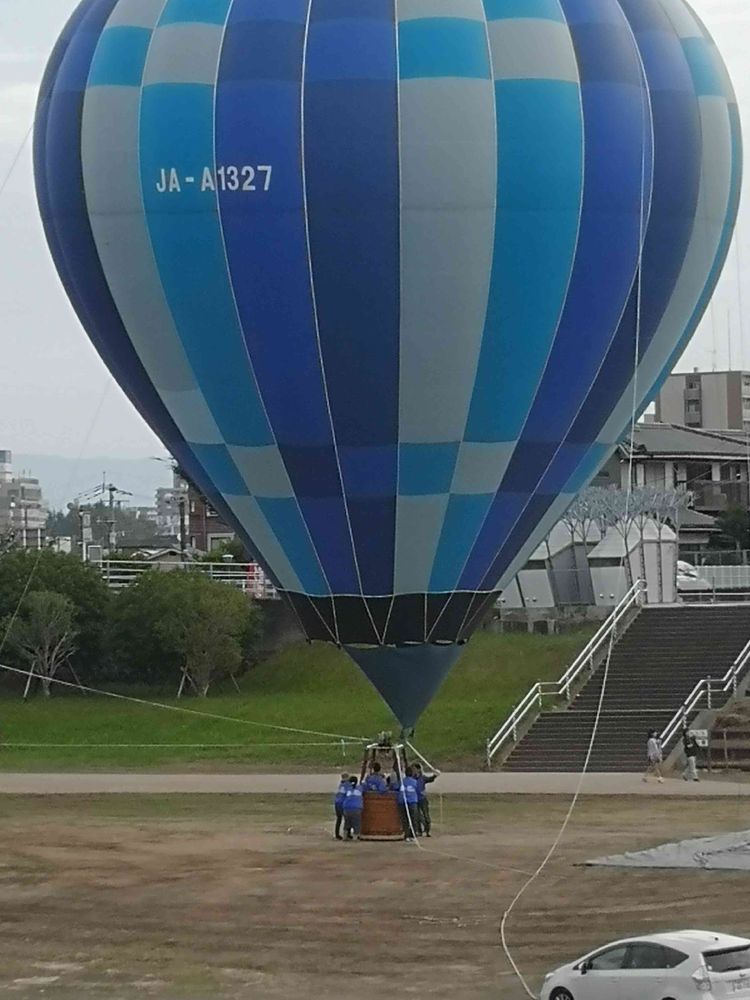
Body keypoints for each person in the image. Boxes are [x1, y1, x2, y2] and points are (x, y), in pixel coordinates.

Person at [413, 762, 437, 837]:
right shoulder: (412, 778)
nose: (413, 770)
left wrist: (435, 775)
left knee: (426, 815)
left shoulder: (422, 778)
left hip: (422, 799)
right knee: (417, 816)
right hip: (415, 799)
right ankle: (419, 831)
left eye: (414, 769)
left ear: (418, 769)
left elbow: (430, 779)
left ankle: (427, 830)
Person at [397, 765, 420, 842]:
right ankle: (413, 835)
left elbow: (395, 787)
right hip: (412, 802)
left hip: (403, 802)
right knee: (413, 819)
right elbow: (418, 790)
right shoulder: (415, 782)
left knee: (405, 819)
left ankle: (407, 835)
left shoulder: (401, 781)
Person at [342, 776, 364, 840]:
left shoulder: (347, 788)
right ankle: (355, 837)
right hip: (356, 808)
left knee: (347, 823)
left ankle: (345, 837)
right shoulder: (360, 788)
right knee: (357, 823)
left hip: (346, 808)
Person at [333, 771, 349, 840]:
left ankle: (337, 834)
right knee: (347, 819)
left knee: (339, 819)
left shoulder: (340, 785)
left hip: (337, 803)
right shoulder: (347, 785)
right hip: (342, 803)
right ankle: (347, 834)